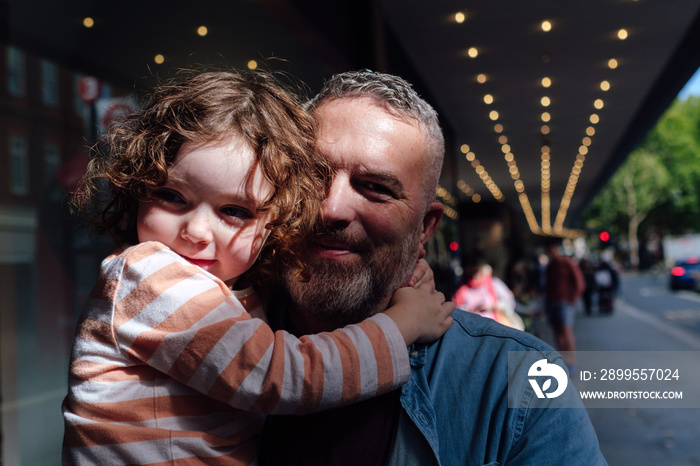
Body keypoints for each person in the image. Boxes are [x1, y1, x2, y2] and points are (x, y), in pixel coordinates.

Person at [61, 70, 454, 465]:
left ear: (278, 222)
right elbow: (284, 376)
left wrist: (406, 269)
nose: (197, 231)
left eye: (234, 211)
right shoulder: (148, 275)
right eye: (171, 196)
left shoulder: (224, 284)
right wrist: (404, 322)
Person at [259, 70, 607, 465]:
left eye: (375, 187)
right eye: (313, 176)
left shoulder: (520, 382)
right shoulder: (203, 331)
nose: (330, 208)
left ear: (424, 228)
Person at [452, 250, 524, 330]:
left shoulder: (494, 283)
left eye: (477, 271)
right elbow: (456, 310)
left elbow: (510, 302)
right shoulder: (462, 289)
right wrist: (470, 310)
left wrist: (493, 306)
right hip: (472, 331)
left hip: (495, 328)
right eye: (472, 271)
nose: (474, 275)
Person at [544, 237, 586, 371]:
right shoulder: (550, 266)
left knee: (566, 332)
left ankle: (571, 362)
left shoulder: (567, 263)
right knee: (558, 333)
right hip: (552, 302)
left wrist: (571, 299)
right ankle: (563, 361)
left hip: (564, 302)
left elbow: (580, 283)